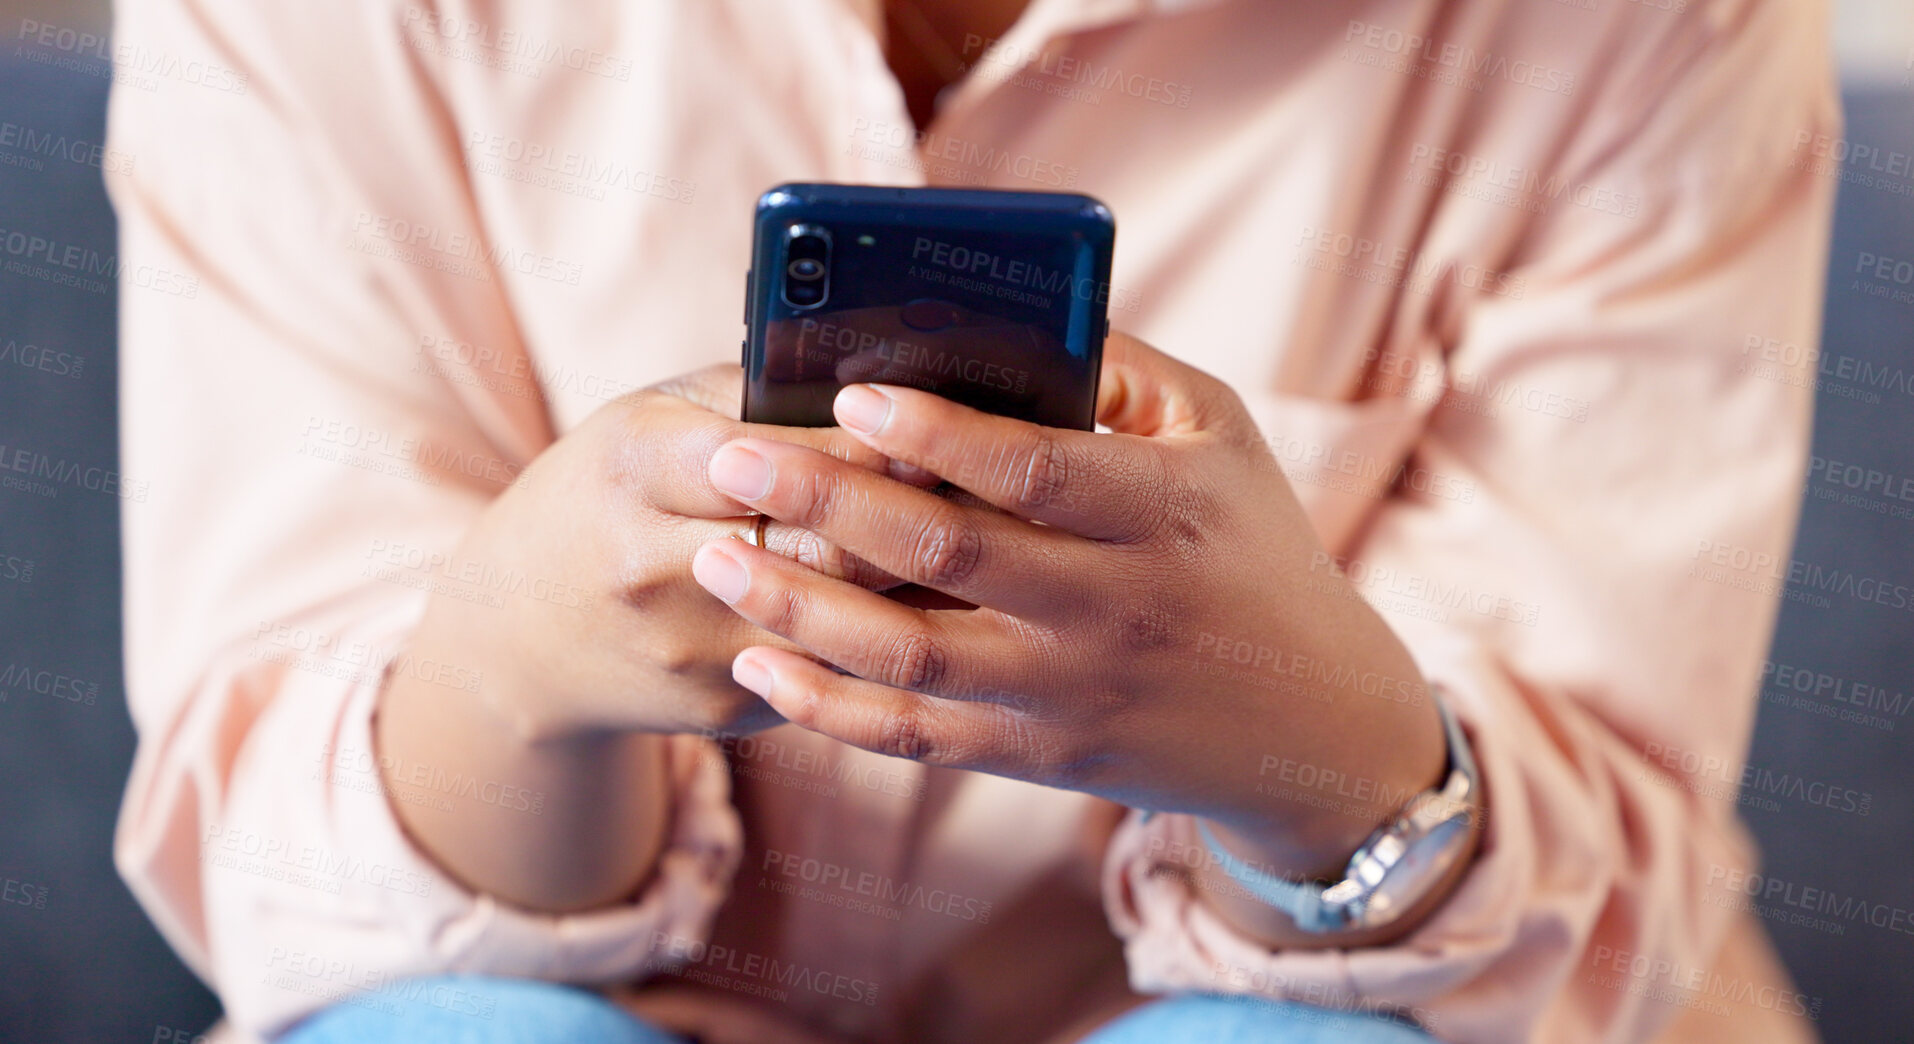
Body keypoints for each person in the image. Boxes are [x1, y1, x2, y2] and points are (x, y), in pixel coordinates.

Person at [107, 0, 1839, 1041]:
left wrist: (1318, 746)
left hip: (1371, 998)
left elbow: (1604, 848)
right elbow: (284, 870)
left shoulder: (1636, 30)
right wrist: (505, 670)